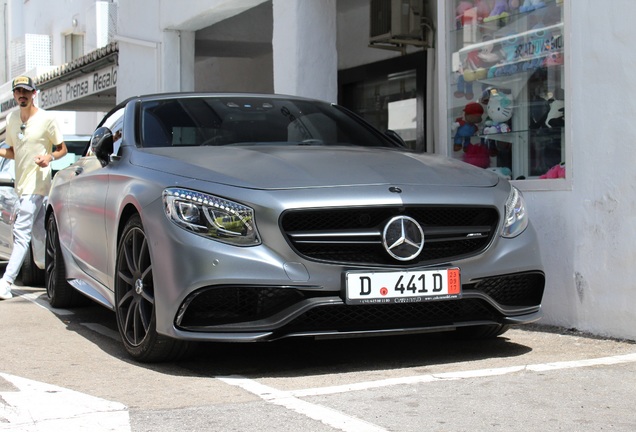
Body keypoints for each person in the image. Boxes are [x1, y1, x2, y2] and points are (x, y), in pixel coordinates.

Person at [0, 76, 67, 300]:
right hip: (22, 187)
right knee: (43, 235)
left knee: (21, 234)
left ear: (34, 94)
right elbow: (12, 152)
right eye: (18, 91)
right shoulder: (11, 119)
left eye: (26, 91)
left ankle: (6, 282)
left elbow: (62, 149)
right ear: (14, 95)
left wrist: (49, 158)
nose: (22, 95)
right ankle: (65, 274)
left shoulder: (47, 119)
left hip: (37, 185)